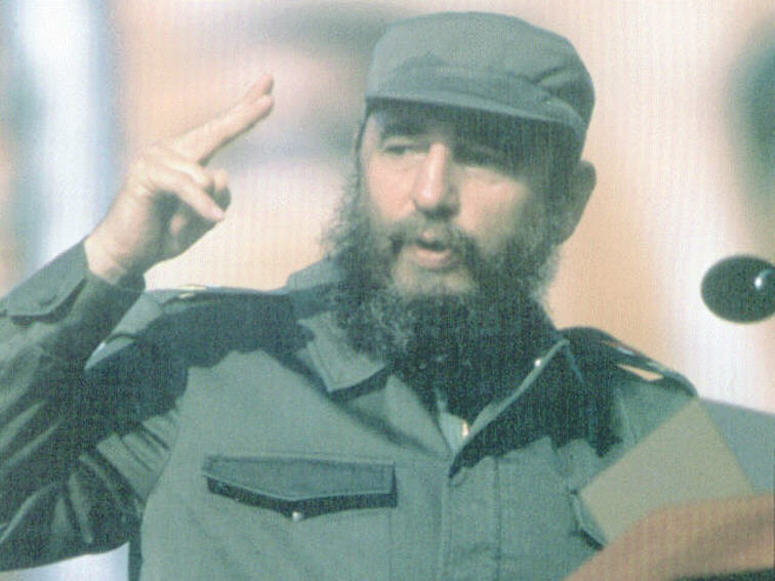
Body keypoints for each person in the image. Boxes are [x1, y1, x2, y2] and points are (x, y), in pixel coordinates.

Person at [0, 12, 695, 580]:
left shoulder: (648, 431)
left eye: (483, 156)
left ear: (567, 200)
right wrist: (107, 262)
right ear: (358, 162)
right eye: (401, 147)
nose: (430, 192)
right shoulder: (201, 368)